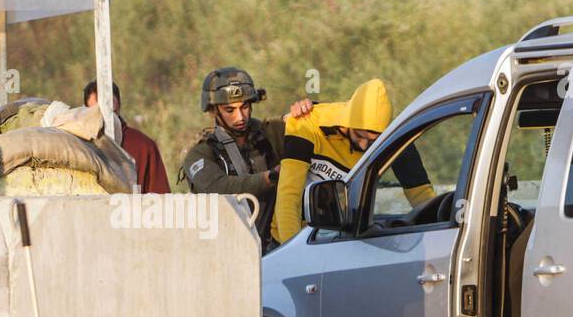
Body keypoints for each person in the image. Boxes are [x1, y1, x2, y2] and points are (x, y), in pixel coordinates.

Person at [271, 77, 434, 244]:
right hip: (292, 237)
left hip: (341, 238)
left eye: (373, 142)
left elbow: (421, 195)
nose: (364, 146)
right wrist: (292, 251)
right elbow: (289, 197)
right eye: (359, 136)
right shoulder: (307, 124)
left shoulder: (394, 136)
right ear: (348, 122)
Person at [179, 67, 311, 247]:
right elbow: (218, 187)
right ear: (213, 111)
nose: (240, 116)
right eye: (229, 110)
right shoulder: (200, 153)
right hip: (226, 251)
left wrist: (308, 110)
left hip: (275, 249)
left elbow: (316, 127)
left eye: (245, 107)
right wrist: (269, 177)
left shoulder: (272, 133)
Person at [83, 79, 171, 194]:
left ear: (118, 107)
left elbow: (160, 199)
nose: (104, 119)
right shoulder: (80, 148)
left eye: (110, 112)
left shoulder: (143, 146)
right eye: (97, 112)